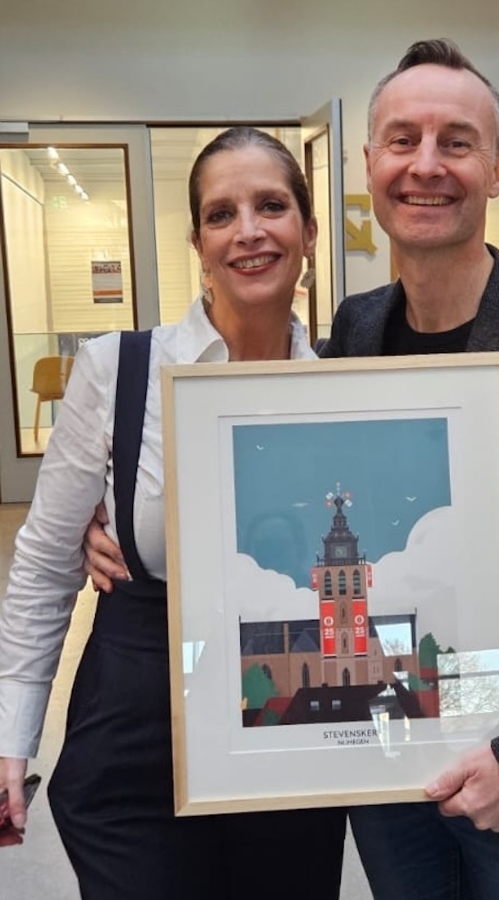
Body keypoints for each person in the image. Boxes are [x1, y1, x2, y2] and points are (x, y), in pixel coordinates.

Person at [83, 40, 499, 900]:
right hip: (389, 788)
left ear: (497, 167)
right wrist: (111, 520)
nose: (425, 165)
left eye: (456, 142)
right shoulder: (355, 333)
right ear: (369, 164)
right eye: (403, 140)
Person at [0, 126, 347, 899]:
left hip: (289, 725)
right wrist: (10, 738)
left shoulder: (344, 389)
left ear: (309, 231)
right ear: (197, 242)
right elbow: (46, 565)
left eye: (271, 206)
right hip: (135, 732)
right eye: (221, 214)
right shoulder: (119, 370)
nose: (248, 231)